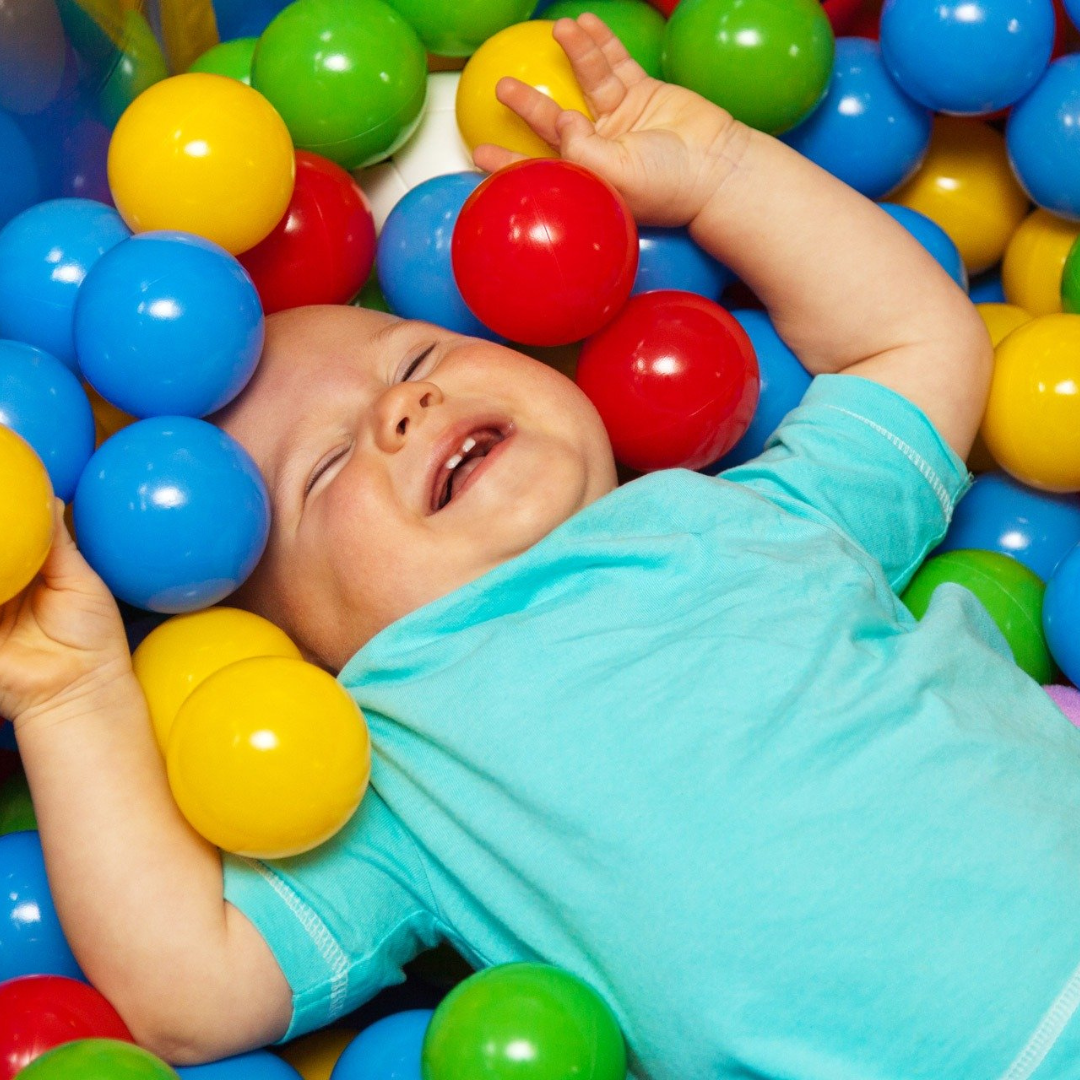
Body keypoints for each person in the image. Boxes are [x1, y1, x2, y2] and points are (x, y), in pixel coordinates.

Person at [3, 14, 1078, 1080]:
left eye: (416, 355)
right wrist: (70, 697)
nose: (405, 410)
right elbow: (190, 992)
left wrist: (720, 176)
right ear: (311, 650)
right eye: (321, 474)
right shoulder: (392, 770)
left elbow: (914, 340)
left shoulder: (749, 515)